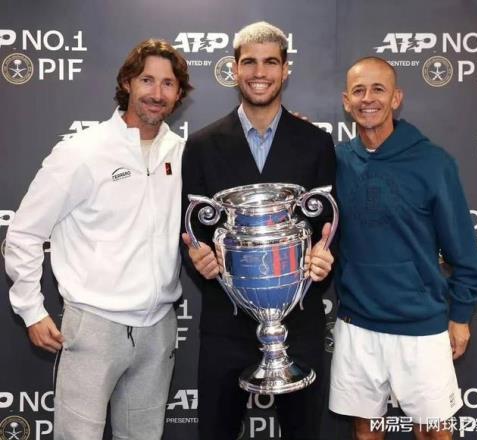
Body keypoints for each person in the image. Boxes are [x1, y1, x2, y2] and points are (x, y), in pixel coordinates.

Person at [5, 39, 192, 440]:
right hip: (93, 326)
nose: (157, 93)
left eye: (168, 84)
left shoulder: (183, 154)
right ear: (127, 83)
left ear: (179, 94)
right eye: (147, 80)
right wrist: (31, 310)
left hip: (158, 328)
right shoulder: (81, 151)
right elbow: (24, 232)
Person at [181, 21, 336, 440]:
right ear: (234, 69)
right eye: (249, 62)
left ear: (285, 69)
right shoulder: (201, 145)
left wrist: (325, 258)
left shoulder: (316, 143)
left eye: (270, 62)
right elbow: (189, 229)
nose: (259, 72)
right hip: (226, 322)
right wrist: (198, 258)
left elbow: (329, 227)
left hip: (298, 322)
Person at [329, 56, 477, 439]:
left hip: (421, 326)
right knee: (366, 432)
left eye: (378, 89)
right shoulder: (336, 161)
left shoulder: (433, 162)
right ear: (347, 101)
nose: (368, 99)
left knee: (433, 433)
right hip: (357, 325)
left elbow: (464, 251)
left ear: (396, 98)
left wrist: (460, 315)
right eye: (359, 91)